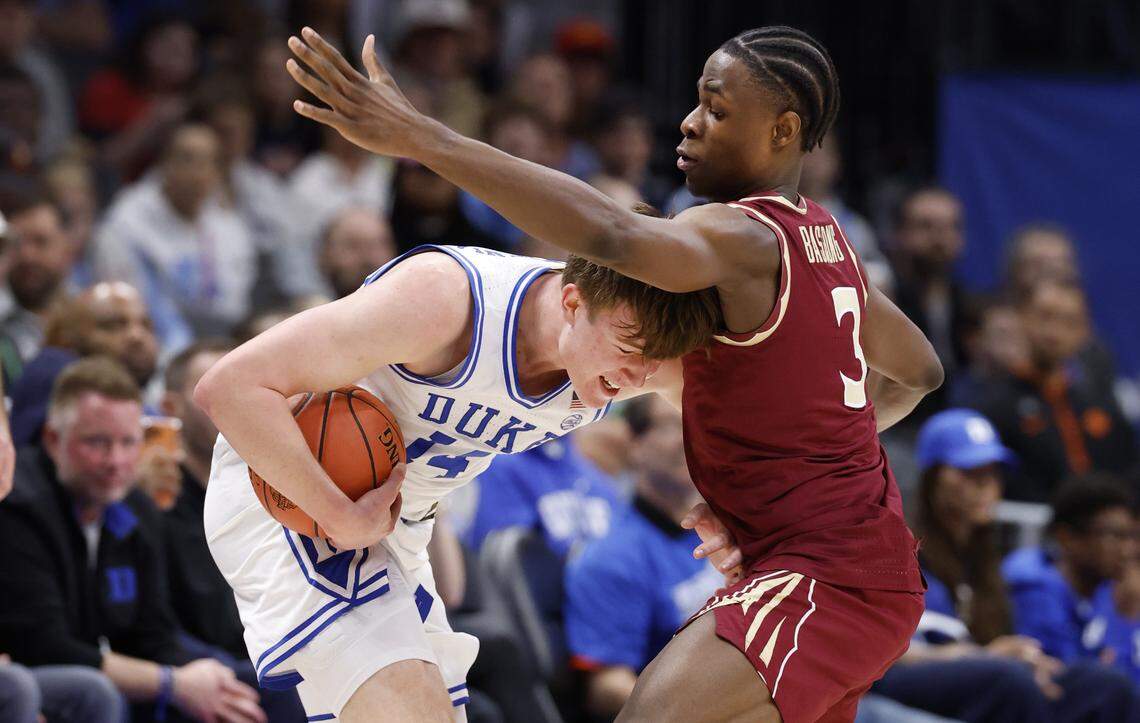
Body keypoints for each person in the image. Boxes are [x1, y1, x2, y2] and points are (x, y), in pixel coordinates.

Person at [287, 23, 942, 722]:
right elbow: (920, 371)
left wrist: (425, 140)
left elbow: (612, 235)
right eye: (696, 102)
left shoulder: (743, 235)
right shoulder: (828, 238)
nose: (689, 123)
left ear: (783, 131)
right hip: (861, 567)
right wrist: (810, 463)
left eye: (717, 110)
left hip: (824, 573)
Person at [195, 240, 725, 722]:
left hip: (393, 525)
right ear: (571, 304)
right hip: (297, 492)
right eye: (627, 352)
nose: (636, 379)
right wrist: (335, 514)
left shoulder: (638, 337)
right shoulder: (444, 300)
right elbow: (229, 387)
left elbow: (731, 418)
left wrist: (733, 509)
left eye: (653, 363)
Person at [0, 357, 266, 723]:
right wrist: (172, 682)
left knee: (255, 685)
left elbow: (153, 634)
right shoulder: (20, 505)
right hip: (36, 672)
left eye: (128, 443)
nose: (116, 460)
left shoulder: (135, 509)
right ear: (52, 439)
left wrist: (210, 678)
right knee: (96, 695)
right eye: (97, 443)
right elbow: (45, 645)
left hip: (95, 667)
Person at [873, 409, 1136, 722]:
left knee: (1103, 685)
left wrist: (1025, 659)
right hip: (900, 673)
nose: (986, 485)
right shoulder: (899, 548)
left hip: (981, 673)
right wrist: (988, 657)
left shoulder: (983, 562)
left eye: (993, 473)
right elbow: (885, 654)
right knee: (1010, 680)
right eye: (969, 472)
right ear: (932, 478)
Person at [564, 396, 723, 719]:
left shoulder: (728, 522)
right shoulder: (609, 559)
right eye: (669, 425)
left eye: (693, 420)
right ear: (633, 445)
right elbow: (606, 685)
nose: (687, 436)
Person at [965, 279, 1137, 501]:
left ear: (1085, 332)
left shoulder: (1103, 406)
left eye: (1069, 322)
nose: (1054, 332)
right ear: (1021, 319)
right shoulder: (990, 406)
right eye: (1045, 316)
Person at [93, 122, 258, 351]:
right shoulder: (126, 225)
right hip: (146, 344)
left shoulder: (229, 227)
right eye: (187, 159)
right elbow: (129, 308)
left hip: (217, 343)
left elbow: (233, 308)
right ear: (164, 164)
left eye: (208, 162)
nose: (198, 172)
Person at [1004, 474, 1137, 664]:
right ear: (1067, 538)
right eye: (1115, 536)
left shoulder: (1101, 593)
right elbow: (1066, 681)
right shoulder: (1036, 590)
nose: (1127, 550)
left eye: (1130, 536)